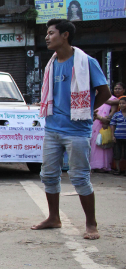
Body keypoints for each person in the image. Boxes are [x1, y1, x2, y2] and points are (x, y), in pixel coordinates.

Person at [31, 19, 111, 240]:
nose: (47, 37)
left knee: (79, 177)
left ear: (65, 35)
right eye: (46, 34)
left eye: (51, 33)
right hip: (53, 128)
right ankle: (54, 218)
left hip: (77, 130)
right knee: (48, 175)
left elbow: (104, 93)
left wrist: (86, 110)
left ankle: (91, 224)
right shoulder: (52, 63)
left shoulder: (87, 62)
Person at [90, 83, 118, 173]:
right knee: (94, 143)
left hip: (105, 124)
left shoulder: (113, 99)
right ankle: (94, 165)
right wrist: (98, 117)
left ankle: (104, 165)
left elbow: (113, 110)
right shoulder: (93, 98)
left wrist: (107, 119)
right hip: (95, 123)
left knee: (104, 142)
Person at [110, 97, 126, 176]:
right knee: (117, 154)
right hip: (118, 137)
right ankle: (117, 169)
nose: (121, 105)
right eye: (120, 103)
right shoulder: (116, 114)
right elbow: (112, 125)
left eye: (123, 103)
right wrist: (113, 136)